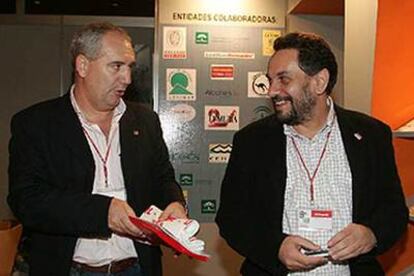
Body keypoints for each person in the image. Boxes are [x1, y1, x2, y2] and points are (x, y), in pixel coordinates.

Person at [216, 32, 408, 275]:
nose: (272, 90)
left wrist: (371, 234)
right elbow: (231, 219)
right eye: (270, 80)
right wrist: (276, 248)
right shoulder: (252, 142)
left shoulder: (371, 135)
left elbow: (393, 211)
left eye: (284, 79)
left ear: (320, 81)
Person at [8, 22, 187, 276]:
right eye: (116, 66)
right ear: (82, 65)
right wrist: (103, 212)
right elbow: (26, 200)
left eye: (130, 67)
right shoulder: (36, 124)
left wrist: (174, 203)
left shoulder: (145, 121)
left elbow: (163, 178)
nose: (127, 78)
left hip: (137, 268)